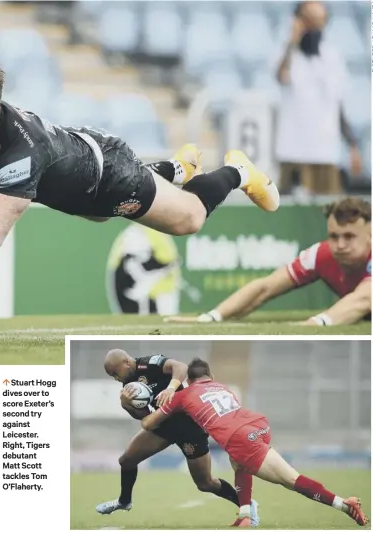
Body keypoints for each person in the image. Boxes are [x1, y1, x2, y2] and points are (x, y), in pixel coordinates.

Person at [0, 55, 279, 311]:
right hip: (70, 179)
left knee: (188, 219)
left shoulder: (21, 151)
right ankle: (176, 170)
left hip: (107, 174)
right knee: (96, 216)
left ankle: (239, 171)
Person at [141, 358, 369, 527]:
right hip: (257, 424)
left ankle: (343, 504)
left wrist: (143, 403)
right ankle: (244, 515)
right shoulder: (223, 387)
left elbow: (148, 424)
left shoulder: (183, 395)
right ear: (209, 376)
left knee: (290, 480)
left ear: (189, 380)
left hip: (240, 437)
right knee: (238, 462)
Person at [96, 349, 260, 525]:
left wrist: (170, 388)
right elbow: (143, 415)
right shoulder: (128, 383)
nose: (115, 378)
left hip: (189, 426)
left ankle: (247, 504)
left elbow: (180, 366)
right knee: (126, 460)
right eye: (111, 376)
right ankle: (124, 501)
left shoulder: (149, 363)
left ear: (126, 362)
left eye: (115, 373)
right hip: (163, 425)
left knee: (205, 483)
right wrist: (127, 405)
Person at [165, 197, 371, 326]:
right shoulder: (321, 254)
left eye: (349, 236)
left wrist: (314, 324)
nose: (340, 244)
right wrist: (211, 317)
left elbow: (363, 299)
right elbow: (266, 287)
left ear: (370, 234)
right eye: (334, 236)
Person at [275, 1, 362, 196]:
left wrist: (353, 145)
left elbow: (338, 105)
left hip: (325, 151)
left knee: (330, 215)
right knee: (287, 214)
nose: (314, 26)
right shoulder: (287, 52)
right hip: (293, 151)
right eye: (308, 20)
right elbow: (280, 75)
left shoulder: (333, 56)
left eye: (319, 21)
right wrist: (293, 40)